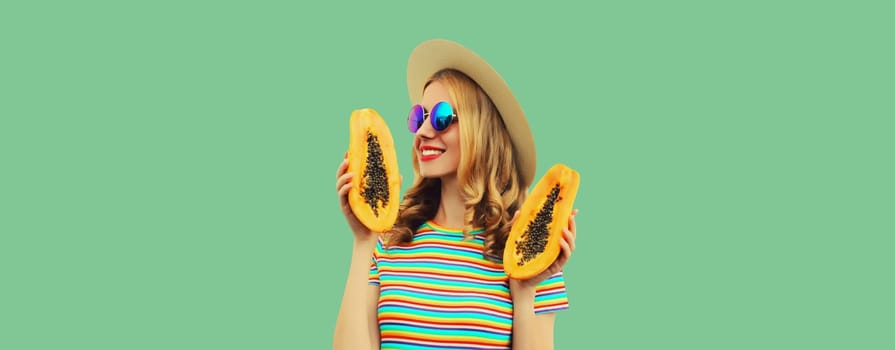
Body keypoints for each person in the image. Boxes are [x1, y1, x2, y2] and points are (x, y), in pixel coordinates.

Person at [333, 39, 579, 350]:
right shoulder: (388, 241)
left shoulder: (531, 257)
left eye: (441, 118)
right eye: (419, 117)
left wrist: (525, 289)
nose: (422, 132)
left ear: (482, 130)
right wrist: (363, 241)